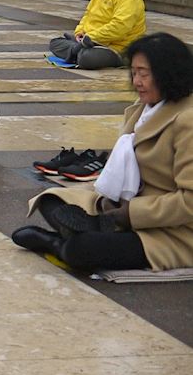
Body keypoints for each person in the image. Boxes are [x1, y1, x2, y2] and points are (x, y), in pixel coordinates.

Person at [11, 32, 193, 272]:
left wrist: (130, 214)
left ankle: (59, 243)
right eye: (134, 73)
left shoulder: (187, 120)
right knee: (50, 200)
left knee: (85, 249)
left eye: (144, 74)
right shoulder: (143, 108)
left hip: (173, 231)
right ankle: (91, 231)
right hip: (124, 208)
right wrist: (113, 206)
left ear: (169, 74)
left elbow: (189, 202)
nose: (137, 81)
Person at [48, 0, 145, 69]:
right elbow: (88, 15)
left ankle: (76, 51)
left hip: (117, 48)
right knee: (55, 43)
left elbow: (119, 28)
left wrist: (90, 37)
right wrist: (80, 32)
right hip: (92, 40)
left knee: (86, 58)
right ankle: (77, 49)